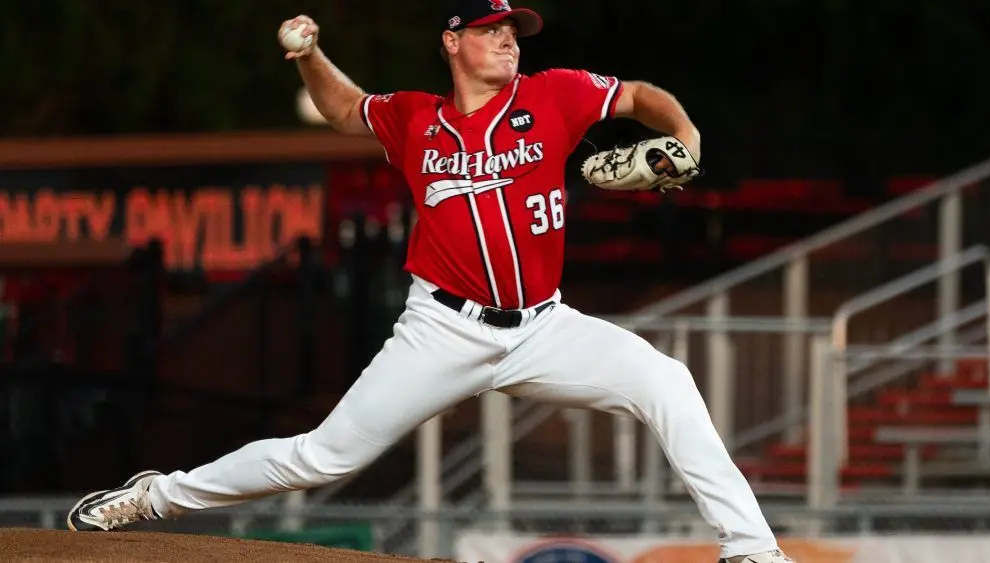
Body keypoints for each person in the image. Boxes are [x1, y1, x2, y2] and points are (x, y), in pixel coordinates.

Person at [66, 2, 794, 561]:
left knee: (665, 380)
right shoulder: (416, 119)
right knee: (322, 455)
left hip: (544, 326)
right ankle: (154, 496)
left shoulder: (556, 95)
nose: (510, 39)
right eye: (491, 28)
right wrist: (310, 55)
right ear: (452, 42)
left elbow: (640, 95)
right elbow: (344, 109)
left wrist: (687, 137)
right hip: (441, 329)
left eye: (514, 29)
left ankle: (753, 549)